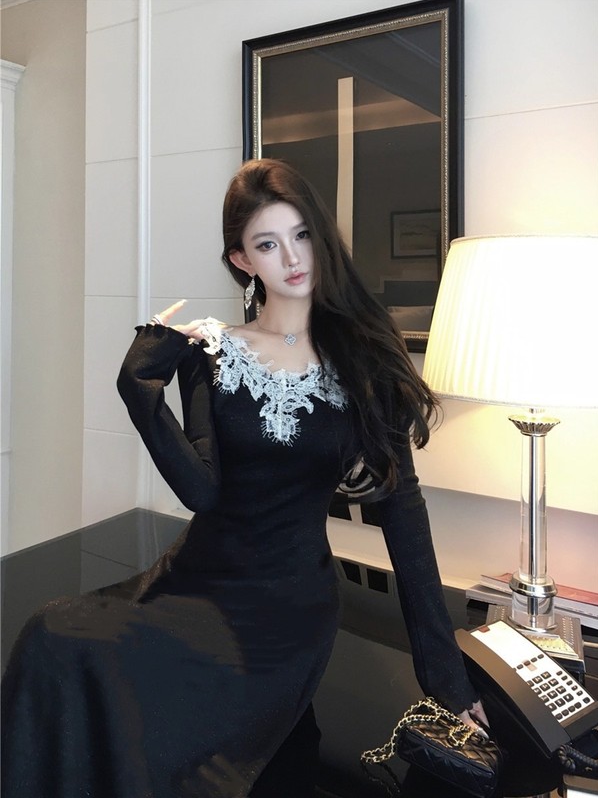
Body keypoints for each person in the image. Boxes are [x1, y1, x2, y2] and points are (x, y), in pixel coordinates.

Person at [1, 158, 488, 797]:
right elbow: (202, 491)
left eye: (302, 234)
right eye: (268, 244)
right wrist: (138, 387)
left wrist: (447, 679)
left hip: (287, 607)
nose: (293, 257)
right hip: (194, 586)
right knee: (51, 637)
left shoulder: (365, 359)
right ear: (242, 260)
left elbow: (402, 509)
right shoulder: (214, 352)